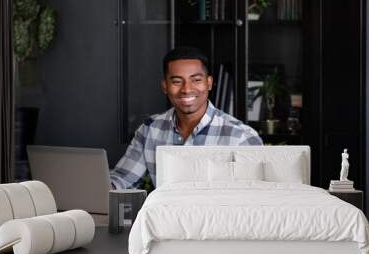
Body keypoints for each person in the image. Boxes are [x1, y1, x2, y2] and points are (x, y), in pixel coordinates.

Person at [110, 46, 263, 189]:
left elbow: (254, 199)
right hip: (165, 216)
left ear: (209, 83)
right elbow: (123, 179)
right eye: (177, 81)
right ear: (165, 86)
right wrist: (98, 191)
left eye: (196, 80)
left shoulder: (242, 137)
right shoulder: (150, 129)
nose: (186, 89)